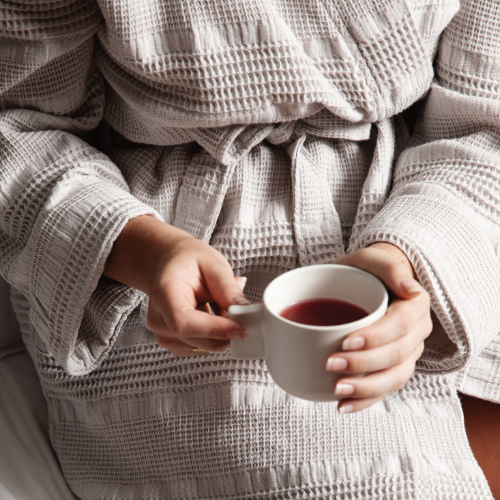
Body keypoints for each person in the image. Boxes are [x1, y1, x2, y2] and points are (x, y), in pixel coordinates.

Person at [0, 0, 499, 498]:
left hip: (439, 221)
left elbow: (486, 129)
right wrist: (142, 249)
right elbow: (18, 126)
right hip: (173, 254)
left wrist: (408, 260)